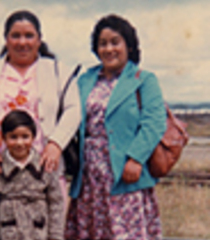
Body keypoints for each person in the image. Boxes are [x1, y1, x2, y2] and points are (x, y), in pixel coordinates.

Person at [0, 10, 80, 208]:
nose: (22, 42)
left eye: (29, 36)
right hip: (0, 172)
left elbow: (73, 109)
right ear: (6, 39)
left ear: (39, 39)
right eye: (15, 35)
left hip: (45, 168)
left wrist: (56, 144)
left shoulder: (58, 71)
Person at [65, 14, 167, 240]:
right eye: (102, 43)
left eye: (115, 42)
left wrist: (136, 158)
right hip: (90, 178)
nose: (109, 49)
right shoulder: (85, 80)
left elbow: (154, 121)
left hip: (125, 174)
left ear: (129, 46)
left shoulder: (144, 79)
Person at [0, 109, 64, 240]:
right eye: (13, 137)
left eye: (25, 137)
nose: (19, 143)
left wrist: (55, 236)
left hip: (38, 233)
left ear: (33, 137)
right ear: (3, 138)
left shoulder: (44, 167)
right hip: (9, 233)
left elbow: (56, 203)